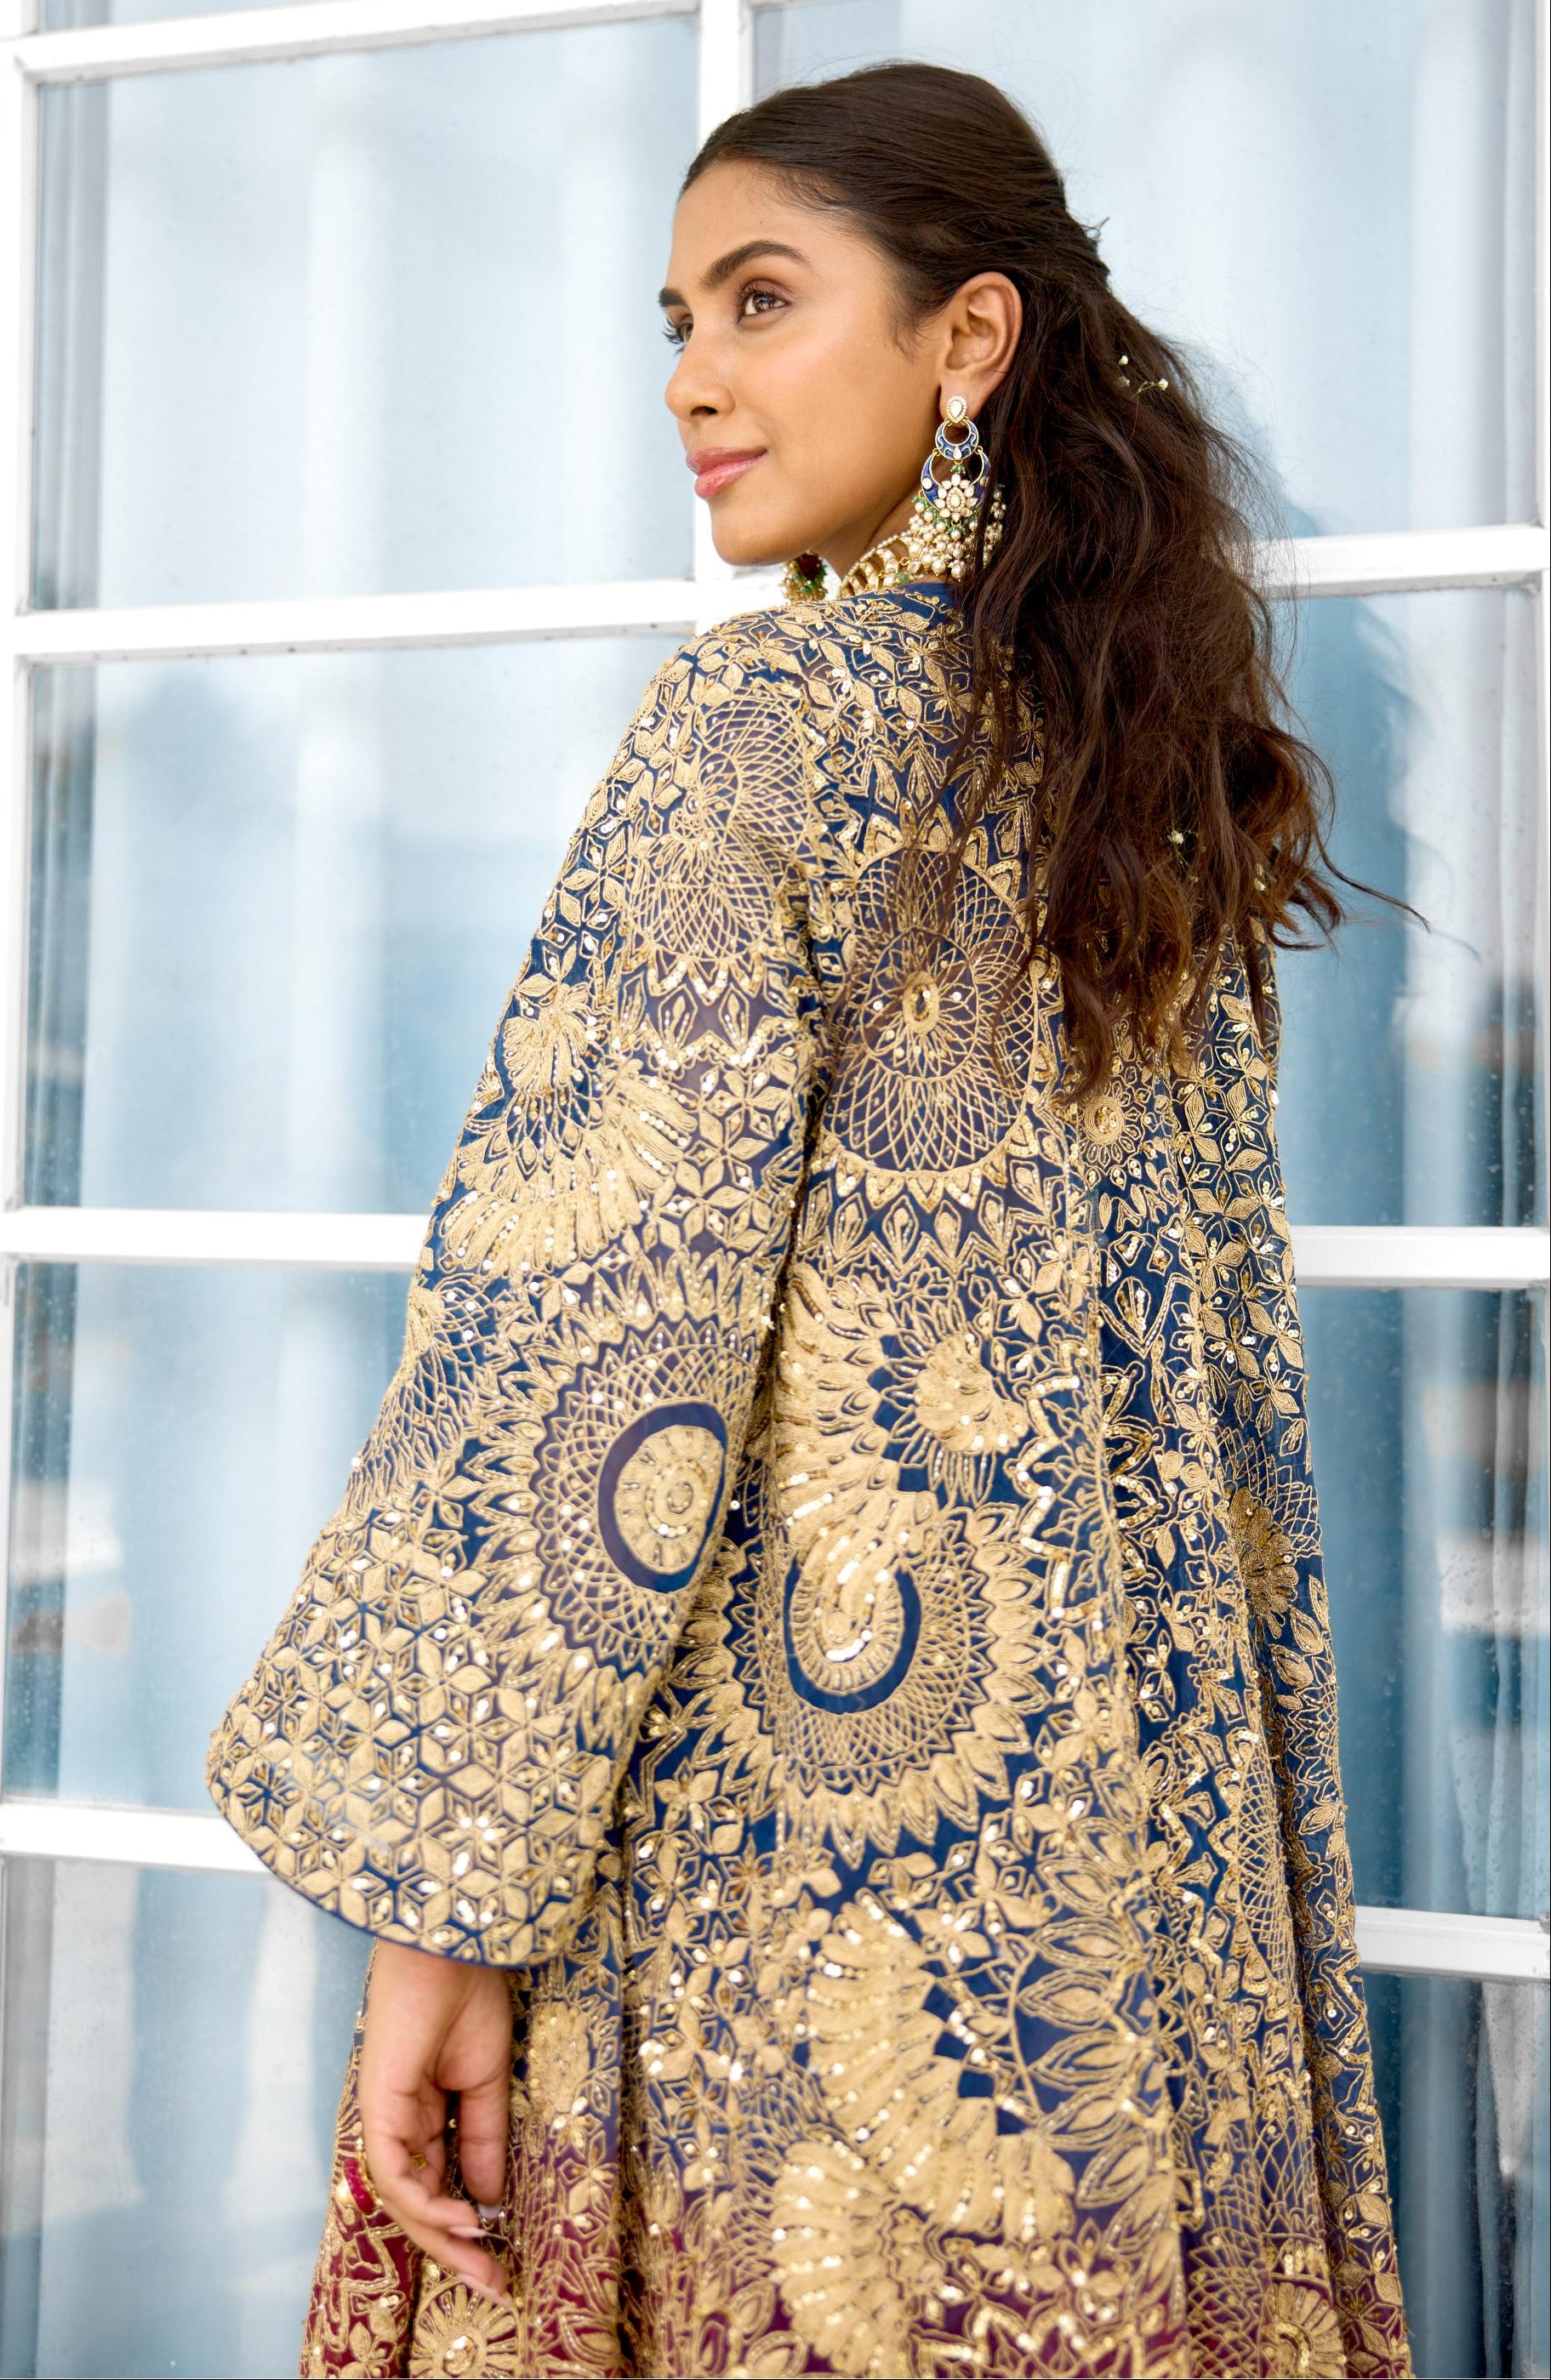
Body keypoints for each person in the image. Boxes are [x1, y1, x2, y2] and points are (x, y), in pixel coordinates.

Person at [208, 60, 1411, 2380]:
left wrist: (438, 1919)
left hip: (792, 1906)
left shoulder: (758, 728)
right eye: (675, 319)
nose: (691, 376)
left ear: (969, 338)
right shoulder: (1150, 784)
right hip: (1131, 1921)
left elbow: (587, 1361)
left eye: (762, 301)